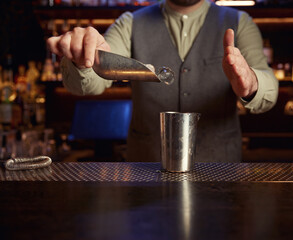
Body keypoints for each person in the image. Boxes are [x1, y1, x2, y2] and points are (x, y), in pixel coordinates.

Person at [47, 0, 278, 162]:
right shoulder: (129, 23)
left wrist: (252, 82)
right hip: (145, 175)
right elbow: (91, 83)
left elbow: (269, 89)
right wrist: (83, 59)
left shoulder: (239, 22)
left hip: (221, 174)